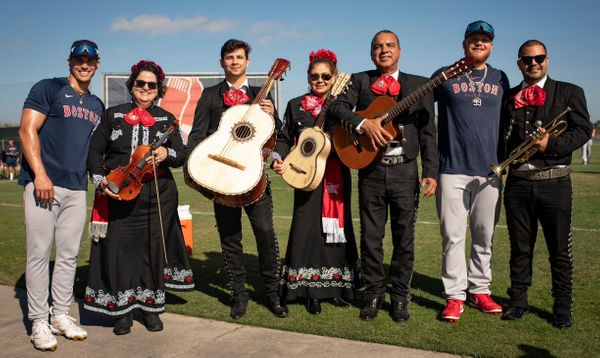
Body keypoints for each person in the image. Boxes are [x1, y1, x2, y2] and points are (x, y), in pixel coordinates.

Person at [329, 30, 437, 322]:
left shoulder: (420, 85)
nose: (384, 50)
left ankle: (400, 296)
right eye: (378, 46)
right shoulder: (359, 80)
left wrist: (430, 172)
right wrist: (364, 123)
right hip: (371, 171)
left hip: (405, 170)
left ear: (400, 50)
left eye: (390, 45)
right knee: (371, 237)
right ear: (371, 53)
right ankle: (374, 293)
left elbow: (428, 132)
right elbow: (336, 109)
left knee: (404, 239)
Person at [84, 60, 194, 335]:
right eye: (140, 83)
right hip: (119, 193)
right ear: (132, 86)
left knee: (151, 250)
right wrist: (100, 181)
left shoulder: (167, 119)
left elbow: (181, 154)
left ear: (159, 89)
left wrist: (166, 154)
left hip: (157, 196)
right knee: (120, 251)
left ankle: (151, 308)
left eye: (151, 85)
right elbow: (95, 152)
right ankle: (122, 311)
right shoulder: (113, 115)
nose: (145, 88)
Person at [185, 39, 287, 319]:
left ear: (248, 62)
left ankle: (272, 294)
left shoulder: (261, 95)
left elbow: (276, 134)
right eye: (229, 57)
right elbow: (197, 135)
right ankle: (239, 296)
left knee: (266, 234)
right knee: (230, 239)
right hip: (222, 176)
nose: (234, 61)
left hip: (255, 178)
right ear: (222, 63)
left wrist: (273, 115)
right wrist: (194, 170)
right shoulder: (209, 96)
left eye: (239, 57)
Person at [499, 40, 592, 328]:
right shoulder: (509, 95)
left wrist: (552, 143)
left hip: (555, 183)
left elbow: (582, 132)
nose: (533, 63)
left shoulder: (569, 92)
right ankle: (518, 301)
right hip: (518, 184)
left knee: (559, 250)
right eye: (527, 59)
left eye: (539, 58)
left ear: (547, 60)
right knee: (520, 248)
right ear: (519, 64)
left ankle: (562, 307)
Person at [18, 39, 104, 351]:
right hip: (44, 185)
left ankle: (60, 315)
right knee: (39, 254)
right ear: (69, 61)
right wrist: (40, 174)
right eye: (79, 59)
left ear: (97, 64)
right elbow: (27, 129)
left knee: (68, 256)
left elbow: (96, 152)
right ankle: (39, 321)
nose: (84, 64)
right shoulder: (49, 88)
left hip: (77, 188)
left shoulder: (97, 105)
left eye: (90, 60)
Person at [432, 20, 510, 322]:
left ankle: (479, 290)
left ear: (491, 46)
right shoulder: (445, 75)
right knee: (452, 236)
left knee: (484, 235)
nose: (479, 43)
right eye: (473, 39)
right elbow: (423, 111)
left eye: (485, 40)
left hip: (490, 169)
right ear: (464, 43)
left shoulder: (501, 78)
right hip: (451, 168)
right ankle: (454, 295)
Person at [272, 49, 359, 315]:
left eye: (325, 76)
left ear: (335, 78)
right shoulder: (295, 104)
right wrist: (279, 157)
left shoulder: (343, 107)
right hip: (305, 174)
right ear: (308, 77)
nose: (319, 80)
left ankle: (338, 288)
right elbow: (285, 137)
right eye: (314, 76)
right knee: (306, 230)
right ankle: (310, 291)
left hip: (334, 174)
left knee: (336, 232)